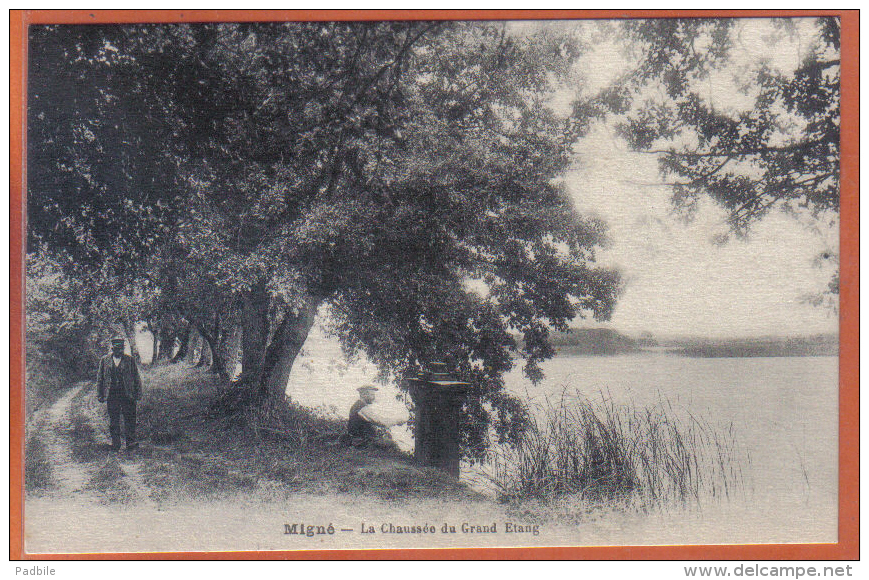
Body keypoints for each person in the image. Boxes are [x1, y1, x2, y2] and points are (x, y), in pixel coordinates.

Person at [96, 337, 143, 452]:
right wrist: (100, 394)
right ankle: (115, 444)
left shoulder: (130, 360)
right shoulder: (105, 360)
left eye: (121, 349)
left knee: (130, 419)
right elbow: (100, 378)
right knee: (114, 420)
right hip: (112, 395)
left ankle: (131, 443)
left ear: (123, 349)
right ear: (112, 349)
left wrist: (138, 393)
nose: (119, 351)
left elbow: (136, 377)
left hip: (128, 394)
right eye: (117, 349)